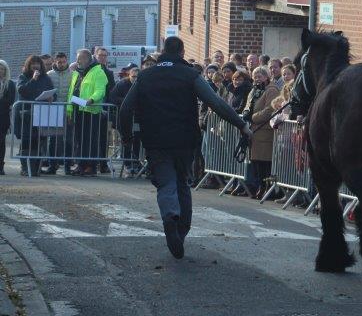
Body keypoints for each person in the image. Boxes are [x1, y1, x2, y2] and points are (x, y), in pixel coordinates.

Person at [119, 36, 251, 259]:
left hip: (155, 139)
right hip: (184, 139)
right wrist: (241, 125)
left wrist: (126, 137)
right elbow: (215, 103)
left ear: (163, 51)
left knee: (165, 183)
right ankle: (182, 230)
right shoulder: (190, 75)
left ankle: (170, 215)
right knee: (182, 182)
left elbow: (124, 109)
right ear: (181, 52)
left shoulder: (145, 76)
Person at [66, 49, 109, 176]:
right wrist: (69, 111)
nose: (78, 61)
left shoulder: (98, 72)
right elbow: (71, 92)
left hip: (91, 111)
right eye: (78, 58)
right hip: (77, 110)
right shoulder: (76, 73)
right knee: (78, 139)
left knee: (90, 139)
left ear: (89, 59)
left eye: (81, 58)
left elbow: (100, 90)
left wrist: (92, 99)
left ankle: (90, 166)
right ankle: (81, 164)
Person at [242, 66, 279, 198]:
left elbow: (270, 109)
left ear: (266, 77)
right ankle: (259, 187)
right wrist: (246, 114)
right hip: (255, 131)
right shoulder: (254, 91)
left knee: (265, 164)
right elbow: (248, 106)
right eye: (255, 76)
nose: (257, 79)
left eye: (260, 76)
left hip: (265, 131)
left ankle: (266, 189)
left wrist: (253, 117)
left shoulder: (271, 90)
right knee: (256, 163)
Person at [16, 54, 56, 175]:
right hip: (27, 114)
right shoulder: (23, 77)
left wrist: (51, 98)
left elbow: (53, 92)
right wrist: (33, 80)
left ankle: (35, 169)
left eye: (37, 63)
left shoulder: (46, 78)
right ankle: (25, 168)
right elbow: (22, 90)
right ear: (29, 65)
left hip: (41, 114)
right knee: (27, 142)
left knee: (40, 141)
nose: (35, 65)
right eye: (33, 63)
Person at [46, 52, 74, 174]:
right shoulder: (49, 75)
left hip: (68, 111)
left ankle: (67, 166)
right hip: (54, 110)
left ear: (66, 60)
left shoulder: (73, 75)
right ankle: (53, 165)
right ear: (55, 62)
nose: (61, 64)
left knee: (68, 140)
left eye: (63, 61)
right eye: (59, 62)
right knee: (53, 139)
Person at [0, 60, 16, 176]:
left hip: (3, 117)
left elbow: (9, 101)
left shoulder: (9, 84)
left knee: (1, 142)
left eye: (2, 69)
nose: (0, 71)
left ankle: (1, 166)